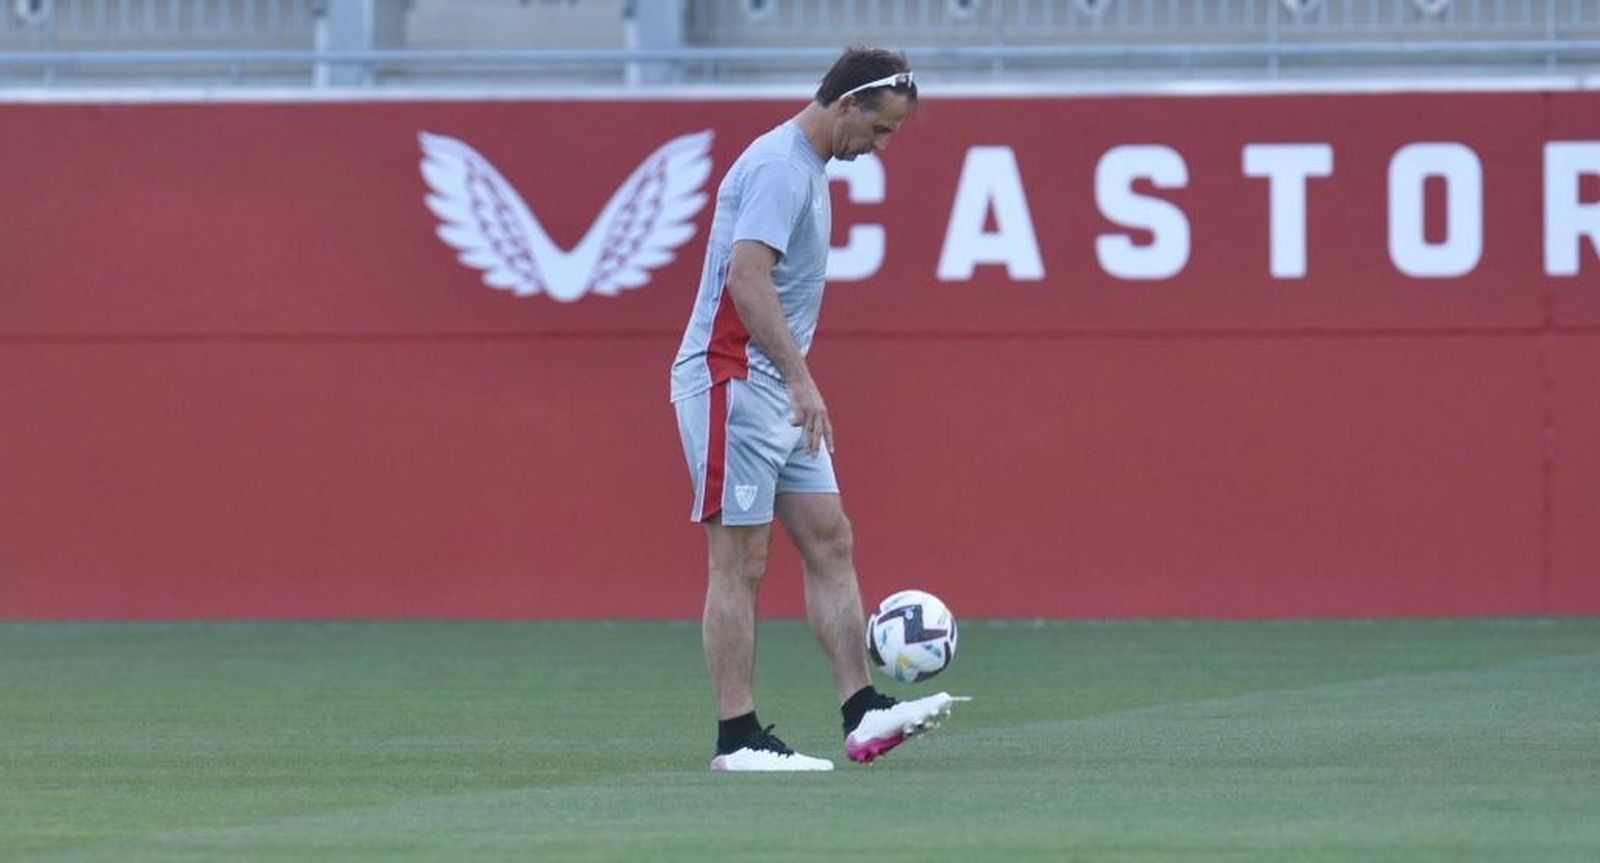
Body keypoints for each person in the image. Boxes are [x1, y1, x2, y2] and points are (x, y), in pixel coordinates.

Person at [670, 47, 963, 772]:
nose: (881, 146)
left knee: (831, 538)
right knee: (740, 559)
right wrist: (802, 380)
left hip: (776, 386)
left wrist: (795, 381)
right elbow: (746, 278)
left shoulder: (808, 169)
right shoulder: (778, 166)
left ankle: (863, 713)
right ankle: (737, 739)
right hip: (731, 379)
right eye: (881, 129)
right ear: (846, 107)